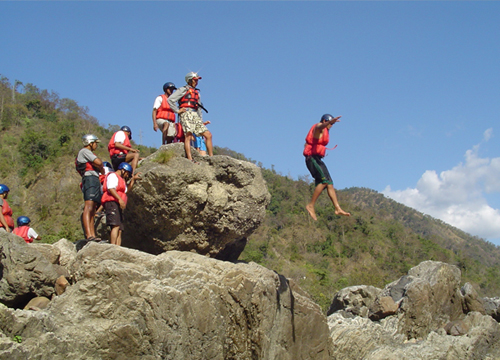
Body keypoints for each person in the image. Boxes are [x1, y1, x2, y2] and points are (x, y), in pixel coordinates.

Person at [304, 114, 351, 221]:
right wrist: (327, 123)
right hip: (312, 159)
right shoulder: (318, 128)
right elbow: (319, 127)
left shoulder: (325, 131)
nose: (331, 126)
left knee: (329, 184)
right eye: (331, 123)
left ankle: (337, 208)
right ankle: (311, 205)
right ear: (325, 121)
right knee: (324, 181)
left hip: (318, 159)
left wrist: (330, 123)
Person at [168, 72, 213, 162]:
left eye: (197, 80)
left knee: (208, 135)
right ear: (189, 80)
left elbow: (199, 107)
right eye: (194, 80)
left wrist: (201, 119)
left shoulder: (197, 93)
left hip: (194, 114)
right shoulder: (182, 90)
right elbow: (170, 99)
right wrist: (177, 110)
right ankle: (190, 159)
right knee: (188, 136)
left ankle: (212, 158)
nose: (196, 82)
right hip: (186, 113)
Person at [101, 162, 140, 246]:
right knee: (115, 225)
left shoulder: (121, 180)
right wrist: (120, 200)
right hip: (112, 203)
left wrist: (133, 180)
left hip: (117, 203)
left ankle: (118, 247)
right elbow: (111, 188)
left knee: (119, 229)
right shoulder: (113, 176)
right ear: (123, 170)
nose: (127, 176)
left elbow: (126, 191)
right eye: (127, 174)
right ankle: (113, 246)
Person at [76, 134, 105, 241]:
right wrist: (101, 168)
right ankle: (89, 235)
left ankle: (93, 234)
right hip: (90, 179)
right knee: (88, 207)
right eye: (95, 143)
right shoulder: (85, 151)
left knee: (92, 208)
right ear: (90, 143)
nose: (96, 145)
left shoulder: (86, 153)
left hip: (93, 179)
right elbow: (99, 162)